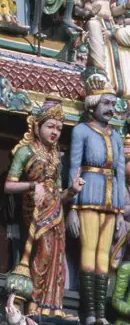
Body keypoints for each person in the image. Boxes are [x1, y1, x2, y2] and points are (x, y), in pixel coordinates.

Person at [5, 100, 84, 317]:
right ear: (37, 125)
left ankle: (53, 307)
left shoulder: (55, 156)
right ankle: (34, 303)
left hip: (55, 209)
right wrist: (32, 185)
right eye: (50, 126)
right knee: (43, 253)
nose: (55, 132)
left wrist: (72, 191)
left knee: (57, 257)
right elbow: (9, 185)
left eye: (59, 128)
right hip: (36, 208)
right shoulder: (25, 151)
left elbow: (59, 193)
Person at [67, 74, 125, 325]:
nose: (111, 109)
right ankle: (89, 313)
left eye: (113, 104)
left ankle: (101, 314)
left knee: (104, 257)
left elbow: (120, 172)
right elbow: (73, 167)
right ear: (93, 105)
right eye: (106, 104)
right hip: (88, 195)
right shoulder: (81, 131)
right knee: (88, 253)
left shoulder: (116, 136)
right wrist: (72, 206)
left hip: (111, 200)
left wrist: (121, 211)